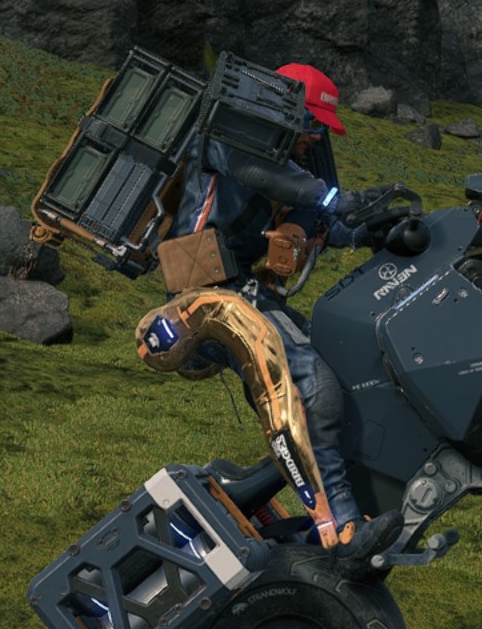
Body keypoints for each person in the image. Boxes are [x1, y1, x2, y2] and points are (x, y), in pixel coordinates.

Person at [132, 62, 394, 556]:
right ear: (283, 112)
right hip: (204, 295)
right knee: (307, 383)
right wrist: (339, 199)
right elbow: (278, 182)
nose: (315, 139)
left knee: (335, 374)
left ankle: (311, 511)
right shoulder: (226, 141)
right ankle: (339, 527)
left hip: (240, 288)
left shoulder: (283, 163)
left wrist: (368, 230)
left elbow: (313, 218)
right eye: (311, 124)